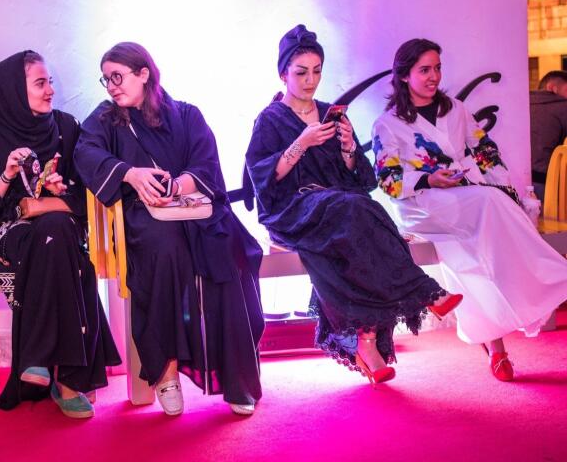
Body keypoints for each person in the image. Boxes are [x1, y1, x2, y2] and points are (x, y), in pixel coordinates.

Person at [245, 25, 461, 386]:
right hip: (293, 209)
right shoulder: (270, 119)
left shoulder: (332, 113)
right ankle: (423, 291)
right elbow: (264, 179)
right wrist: (302, 142)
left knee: (362, 211)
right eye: (301, 72)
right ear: (283, 73)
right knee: (358, 212)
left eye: (316, 71)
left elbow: (361, 181)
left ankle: (367, 342)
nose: (310, 80)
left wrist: (347, 149)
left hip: (338, 208)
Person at [75, 42, 264, 416]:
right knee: (167, 249)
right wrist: (131, 174)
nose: (111, 86)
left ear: (144, 73)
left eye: (118, 76)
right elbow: (86, 154)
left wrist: (177, 187)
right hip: (143, 218)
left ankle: (236, 377)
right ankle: (166, 371)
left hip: (192, 208)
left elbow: (206, 165)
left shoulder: (186, 115)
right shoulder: (105, 119)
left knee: (227, 249)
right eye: (106, 79)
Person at [372, 38, 567, 381]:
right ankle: (552, 275)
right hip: (421, 205)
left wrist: (510, 194)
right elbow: (388, 182)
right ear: (404, 76)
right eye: (424, 70)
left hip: (466, 199)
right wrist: (429, 179)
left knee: (475, 251)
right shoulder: (388, 124)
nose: (434, 76)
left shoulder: (456, 109)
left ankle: (497, 347)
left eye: (437, 68)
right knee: (489, 202)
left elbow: (486, 154)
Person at [0, 50, 121, 418]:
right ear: (14, 91)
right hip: (6, 233)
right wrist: (7, 176)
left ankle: (37, 357)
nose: (50, 90)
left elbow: (86, 199)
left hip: (60, 228)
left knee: (56, 233)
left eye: (50, 81)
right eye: (40, 83)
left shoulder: (66, 128)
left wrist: (52, 194)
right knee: (64, 250)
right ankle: (69, 380)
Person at [530, 70, 567, 200]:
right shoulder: (563, 105)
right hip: (547, 180)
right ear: (552, 87)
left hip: (515, 178)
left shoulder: (522, 102)